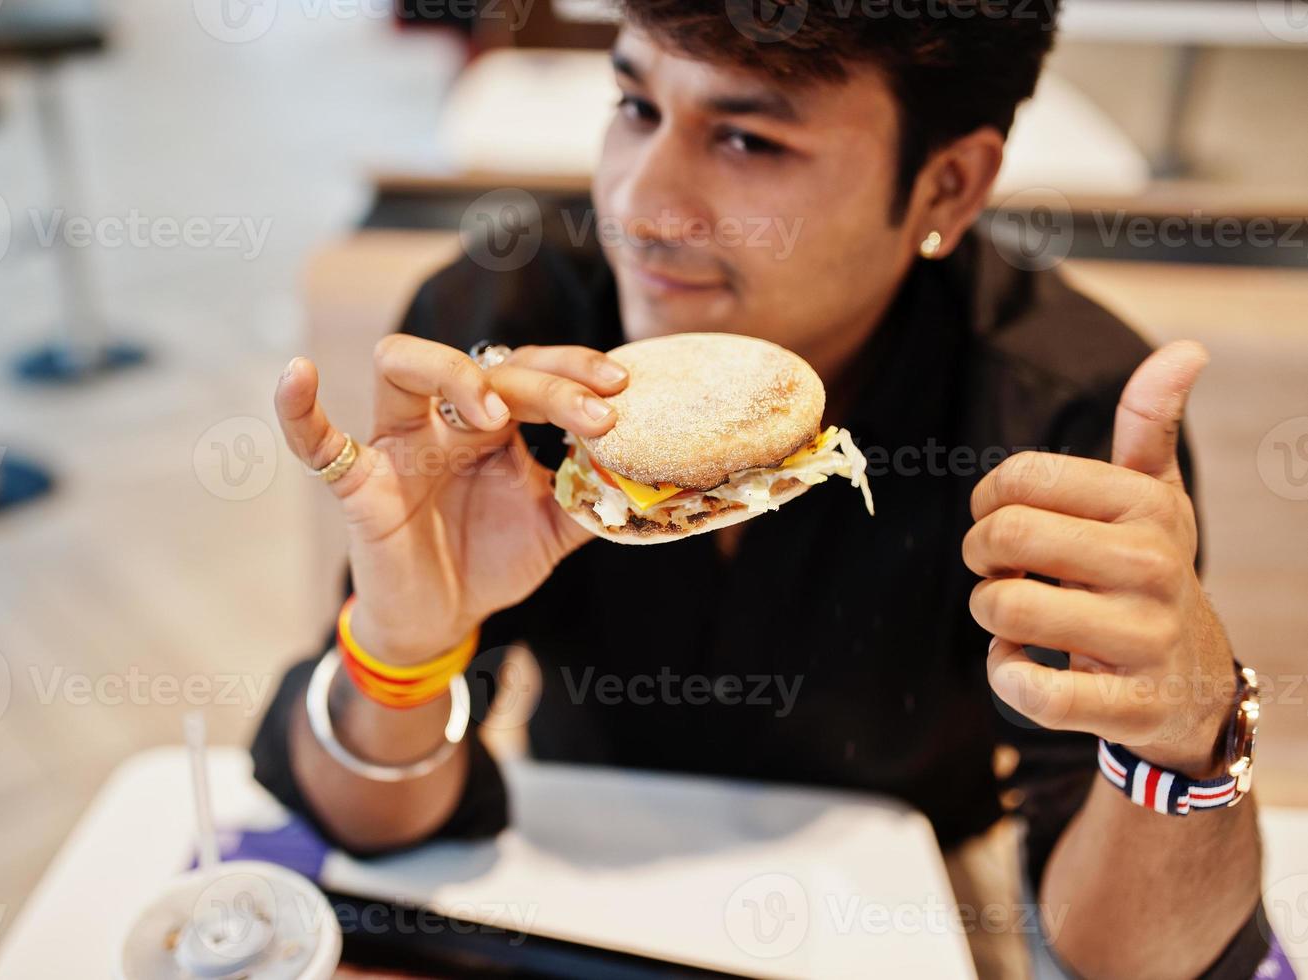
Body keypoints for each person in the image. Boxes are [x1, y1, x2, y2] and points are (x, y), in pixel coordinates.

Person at [253, 3, 1272, 976]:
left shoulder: (1057, 412)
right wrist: (404, 651)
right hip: (580, 887)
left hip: (897, 910)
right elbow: (375, 825)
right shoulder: (507, 329)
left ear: (947, 187)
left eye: (749, 141)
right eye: (637, 106)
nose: (640, 206)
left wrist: (1183, 738)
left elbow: (1124, 956)